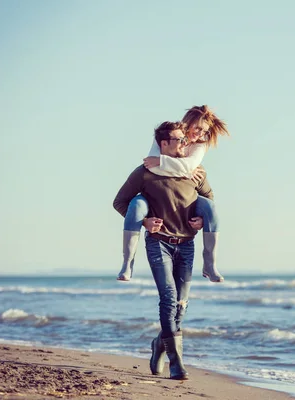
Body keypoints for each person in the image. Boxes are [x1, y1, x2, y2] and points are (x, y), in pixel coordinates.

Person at [113, 121, 210, 380]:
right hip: (159, 243)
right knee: (168, 298)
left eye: (184, 139)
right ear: (164, 143)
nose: (184, 144)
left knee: (181, 305)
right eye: (179, 140)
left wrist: (201, 220)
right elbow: (120, 201)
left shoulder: (195, 171)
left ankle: (159, 344)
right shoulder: (146, 171)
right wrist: (144, 222)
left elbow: (209, 198)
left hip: (187, 245)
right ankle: (176, 361)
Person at [116, 105, 229, 283]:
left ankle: (210, 264)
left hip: (186, 230)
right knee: (137, 204)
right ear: (188, 122)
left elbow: (184, 168)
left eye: (204, 131)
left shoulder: (201, 145)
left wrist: (201, 218)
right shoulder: (167, 135)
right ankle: (127, 263)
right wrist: (184, 169)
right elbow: (153, 168)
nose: (199, 134)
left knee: (210, 207)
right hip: (155, 211)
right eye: (197, 128)